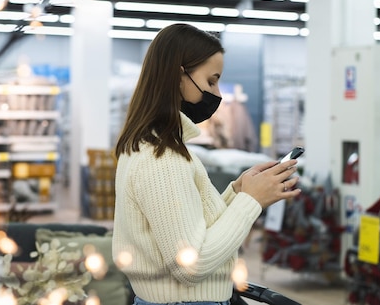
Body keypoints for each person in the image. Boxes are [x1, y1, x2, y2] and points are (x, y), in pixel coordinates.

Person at [112, 23, 302, 305]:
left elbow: (191, 228)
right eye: (211, 81)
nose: (217, 94)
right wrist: (251, 202)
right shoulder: (162, 158)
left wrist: (237, 192)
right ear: (178, 77)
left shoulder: (155, 146)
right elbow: (191, 265)